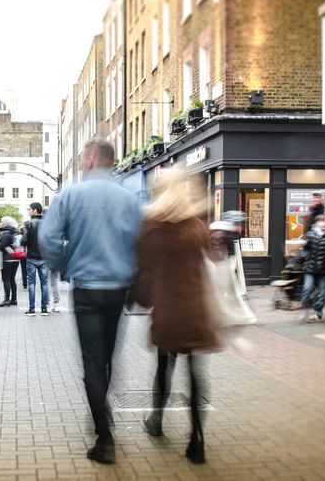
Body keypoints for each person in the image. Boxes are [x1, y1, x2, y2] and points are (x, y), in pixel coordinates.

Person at [38, 138, 144, 465]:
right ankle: (103, 413)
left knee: (92, 362)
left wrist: (65, 266)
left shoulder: (70, 195)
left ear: (92, 159)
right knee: (108, 357)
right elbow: (142, 244)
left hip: (86, 288)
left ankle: (104, 437)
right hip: (118, 290)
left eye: (83, 157)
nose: (82, 163)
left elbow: (47, 238)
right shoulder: (129, 199)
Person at [132, 172, 218, 465]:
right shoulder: (196, 226)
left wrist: (142, 299)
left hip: (168, 310)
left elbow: (143, 274)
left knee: (164, 367)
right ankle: (197, 439)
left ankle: (156, 420)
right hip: (195, 310)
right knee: (195, 373)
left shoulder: (151, 228)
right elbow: (212, 256)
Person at [300, 214, 325, 323]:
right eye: (322, 221)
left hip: (323, 269)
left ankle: (317, 313)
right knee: (307, 289)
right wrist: (305, 256)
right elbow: (305, 249)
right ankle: (305, 307)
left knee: (321, 293)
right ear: (317, 223)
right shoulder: (310, 235)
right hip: (310, 268)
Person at [21, 202, 51, 316]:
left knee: (31, 283)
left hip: (31, 258)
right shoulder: (47, 223)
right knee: (44, 283)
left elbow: (23, 241)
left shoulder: (28, 223)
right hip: (44, 258)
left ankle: (32, 309)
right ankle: (44, 309)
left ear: (34, 210)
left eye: (30, 209)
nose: (29, 211)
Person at [0, 217, 21, 307]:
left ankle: (6, 299)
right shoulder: (13, 233)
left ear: (6, 224)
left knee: (6, 279)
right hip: (15, 259)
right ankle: (14, 299)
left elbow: (1, 246)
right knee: (12, 279)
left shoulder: (5, 233)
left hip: (7, 259)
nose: (0, 223)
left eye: (1, 222)